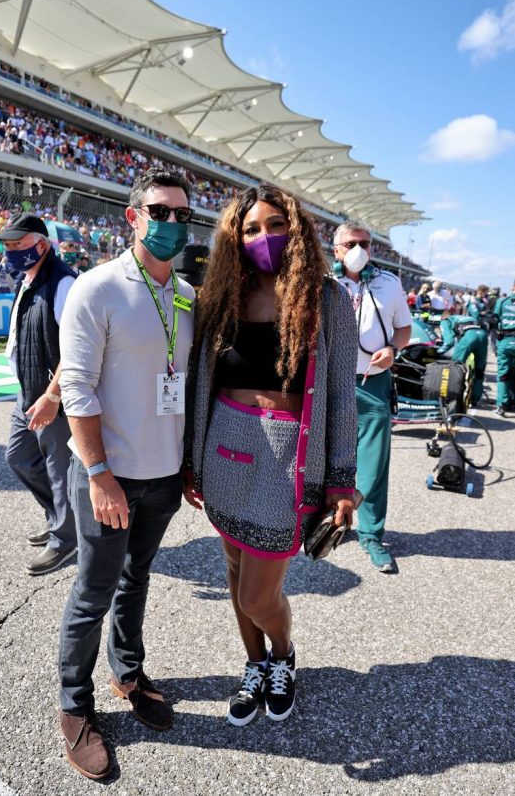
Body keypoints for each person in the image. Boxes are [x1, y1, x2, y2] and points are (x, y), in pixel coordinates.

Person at [183, 183, 358, 728]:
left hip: (288, 462)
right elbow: (201, 384)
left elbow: (342, 396)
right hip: (225, 451)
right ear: (235, 237)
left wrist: (341, 481)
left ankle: (282, 654)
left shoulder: (327, 298)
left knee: (260, 594)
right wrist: (193, 460)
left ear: (297, 228)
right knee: (236, 577)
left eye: (276, 225)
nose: (265, 237)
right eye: (252, 228)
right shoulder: (222, 296)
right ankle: (254, 664)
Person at [58, 168, 195, 779]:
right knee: (93, 591)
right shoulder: (98, 287)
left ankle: (128, 672)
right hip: (108, 476)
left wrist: (186, 465)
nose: (169, 223)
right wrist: (97, 472)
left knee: (136, 580)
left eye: (179, 214)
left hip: (163, 476)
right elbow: (77, 388)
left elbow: (189, 385)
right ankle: (73, 705)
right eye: (157, 210)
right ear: (132, 215)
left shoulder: (187, 296)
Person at [0, 214, 78, 574]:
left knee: (58, 469)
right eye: (7, 246)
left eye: (18, 245)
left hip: (51, 398)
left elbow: (76, 348)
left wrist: (52, 396)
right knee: (19, 458)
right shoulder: (27, 279)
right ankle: (59, 517)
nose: (10, 252)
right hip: (27, 391)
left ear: (42, 245)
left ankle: (66, 539)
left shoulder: (63, 284)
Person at [332, 220, 412, 572]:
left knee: (374, 463)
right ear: (336, 250)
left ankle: (371, 534)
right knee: (324, 456)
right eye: (351, 243)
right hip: (331, 381)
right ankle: (330, 519)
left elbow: (404, 328)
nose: (359, 249)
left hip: (373, 382)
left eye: (364, 242)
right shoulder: (323, 284)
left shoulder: (389, 283)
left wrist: (394, 349)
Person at [437, 312, 488, 406]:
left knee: (455, 367)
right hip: (483, 335)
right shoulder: (466, 317)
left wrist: (438, 352)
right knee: (479, 371)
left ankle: (453, 396)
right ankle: (475, 399)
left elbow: (449, 342)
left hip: (469, 337)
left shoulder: (445, 321)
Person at [494, 282, 515, 416]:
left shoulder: (502, 301)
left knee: (503, 375)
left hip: (506, 341)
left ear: (513, 287)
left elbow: (494, 320)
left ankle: (502, 405)